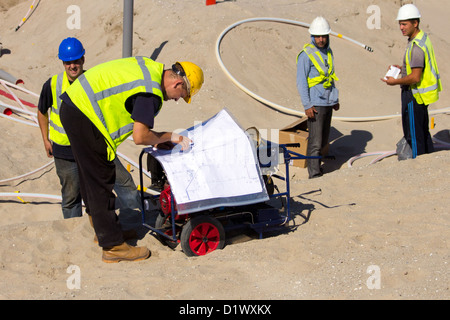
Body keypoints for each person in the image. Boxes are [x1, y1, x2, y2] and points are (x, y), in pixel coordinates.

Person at [59, 56, 204, 263]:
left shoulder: (149, 68)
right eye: (182, 94)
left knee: (92, 174)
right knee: (100, 178)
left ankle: (104, 230)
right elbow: (140, 136)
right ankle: (112, 246)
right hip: (84, 113)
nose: (177, 99)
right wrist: (170, 136)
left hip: (76, 106)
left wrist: (157, 140)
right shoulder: (150, 93)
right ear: (178, 83)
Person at [37, 37, 142, 228]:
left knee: (124, 184)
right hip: (65, 153)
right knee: (71, 197)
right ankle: (74, 232)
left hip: (96, 148)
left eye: (76, 61)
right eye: (68, 62)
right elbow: (42, 111)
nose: (72, 66)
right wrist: (45, 139)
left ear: (83, 60)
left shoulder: (94, 80)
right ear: (62, 62)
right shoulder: (52, 84)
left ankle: (136, 222)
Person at [382, 4, 441, 158]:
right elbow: (417, 67)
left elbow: (415, 77)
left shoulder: (416, 47)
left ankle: (418, 162)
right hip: (420, 96)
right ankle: (429, 159)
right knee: (422, 131)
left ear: (415, 23)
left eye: (404, 24)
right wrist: (402, 68)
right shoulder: (422, 38)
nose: (401, 27)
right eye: (400, 24)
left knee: (414, 135)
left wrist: (395, 81)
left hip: (414, 96)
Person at [296, 16, 340, 179]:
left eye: (324, 36)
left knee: (324, 140)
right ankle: (314, 173)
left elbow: (330, 76)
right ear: (312, 36)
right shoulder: (305, 55)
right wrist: (307, 105)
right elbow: (301, 82)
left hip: (328, 102)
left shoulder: (328, 52)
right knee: (315, 141)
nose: (321, 39)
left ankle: (319, 166)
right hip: (315, 103)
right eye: (318, 36)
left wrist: (335, 100)